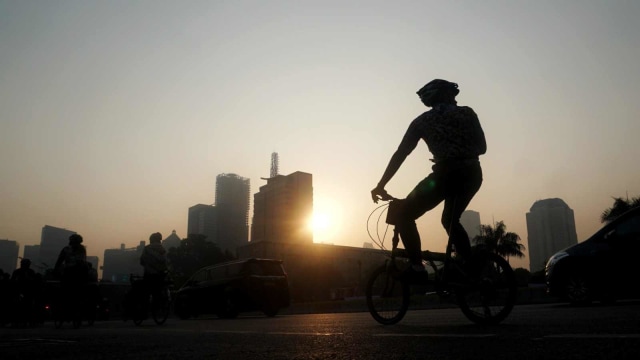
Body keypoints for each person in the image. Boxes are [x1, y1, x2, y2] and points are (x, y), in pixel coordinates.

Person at [371, 79, 486, 276]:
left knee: (404, 214)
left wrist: (381, 185)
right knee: (450, 220)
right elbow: (482, 148)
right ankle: (470, 269)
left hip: (444, 175)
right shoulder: (467, 113)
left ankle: (417, 267)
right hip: (472, 173)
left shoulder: (422, 121)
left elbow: (401, 153)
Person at [140, 232, 169, 299]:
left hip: (148, 276)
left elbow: (142, 261)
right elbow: (165, 262)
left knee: (145, 294)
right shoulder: (163, 250)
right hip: (160, 276)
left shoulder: (147, 248)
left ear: (151, 239)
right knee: (158, 295)